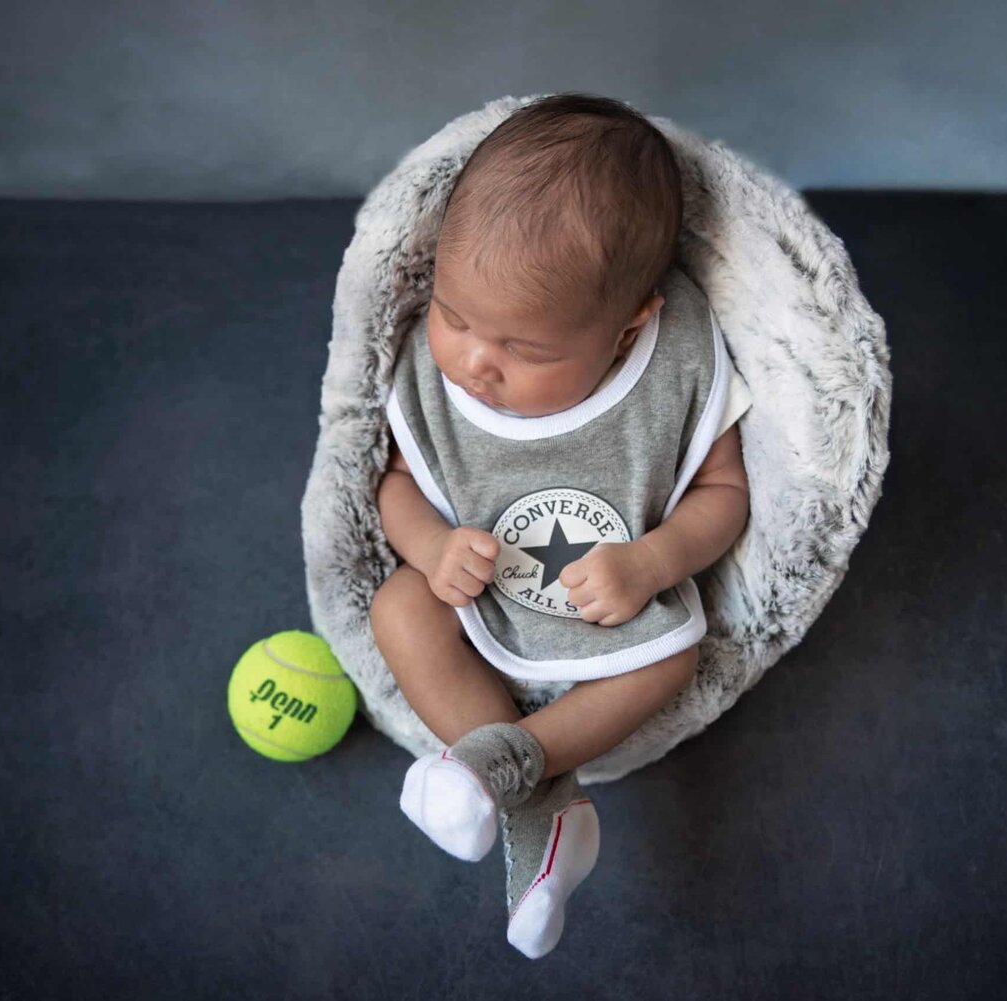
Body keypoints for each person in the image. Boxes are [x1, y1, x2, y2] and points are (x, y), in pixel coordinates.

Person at [369, 93, 752, 958]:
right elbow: (393, 483)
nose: (473, 361)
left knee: (674, 656)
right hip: (474, 594)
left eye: (526, 351)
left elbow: (725, 493)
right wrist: (430, 548)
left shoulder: (678, 362)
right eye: (455, 316)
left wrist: (655, 560)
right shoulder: (438, 381)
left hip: (610, 607)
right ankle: (544, 797)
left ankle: (495, 767)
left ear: (629, 328)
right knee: (397, 608)